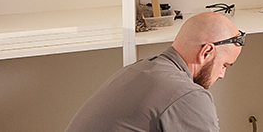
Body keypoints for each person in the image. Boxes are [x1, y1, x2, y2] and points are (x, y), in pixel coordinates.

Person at [65, 12, 244, 131]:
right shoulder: (187, 95)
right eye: (224, 65)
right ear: (206, 52)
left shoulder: (139, 70)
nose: (222, 75)